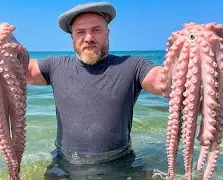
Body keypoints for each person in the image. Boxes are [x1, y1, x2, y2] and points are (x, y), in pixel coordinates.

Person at [26, 2, 164, 179]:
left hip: (120, 164)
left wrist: (190, 57)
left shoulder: (132, 65)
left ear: (108, 32)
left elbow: (161, 80)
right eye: (80, 32)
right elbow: (23, 71)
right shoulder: (56, 66)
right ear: (73, 38)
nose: (88, 38)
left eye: (96, 30)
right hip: (63, 165)